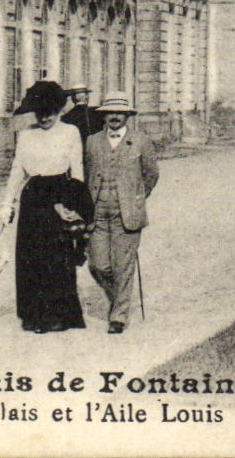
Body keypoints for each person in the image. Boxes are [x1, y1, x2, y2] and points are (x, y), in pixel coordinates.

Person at [0, 80, 93, 333]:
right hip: (33, 199)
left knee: (58, 257)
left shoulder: (70, 132)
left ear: (59, 110)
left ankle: (60, 316)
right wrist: (8, 204)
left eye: (50, 113)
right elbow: (17, 171)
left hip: (60, 196)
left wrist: (74, 204)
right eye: (40, 114)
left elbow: (78, 171)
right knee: (32, 258)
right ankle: (35, 316)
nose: (45, 118)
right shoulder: (26, 135)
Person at [84, 98, 159, 334]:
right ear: (103, 116)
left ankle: (118, 316)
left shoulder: (141, 141)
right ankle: (119, 298)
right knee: (98, 265)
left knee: (123, 265)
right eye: (110, 113)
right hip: (97, 213)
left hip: (126, 214)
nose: (115, 117)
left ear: (127, 116)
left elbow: (151, 174)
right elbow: (87, 174)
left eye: (120, 113)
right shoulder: (92, 141)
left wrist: (136, 198)